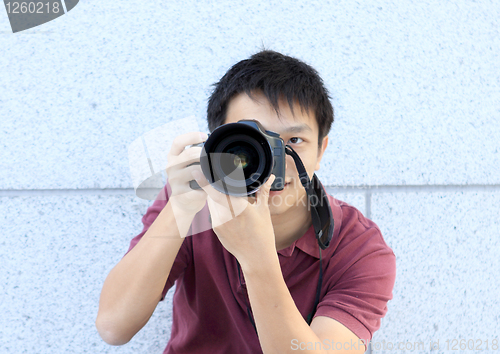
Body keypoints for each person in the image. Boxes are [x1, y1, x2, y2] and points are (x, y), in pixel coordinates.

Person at [96, 50, 396, 353]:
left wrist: (256, 257)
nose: (273, 162)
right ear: (217, 143)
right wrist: (180, 208)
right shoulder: (192, 201)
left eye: (293, 142)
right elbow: (113, 327)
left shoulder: (358, 247)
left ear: (321, 150)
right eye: (251, 141)